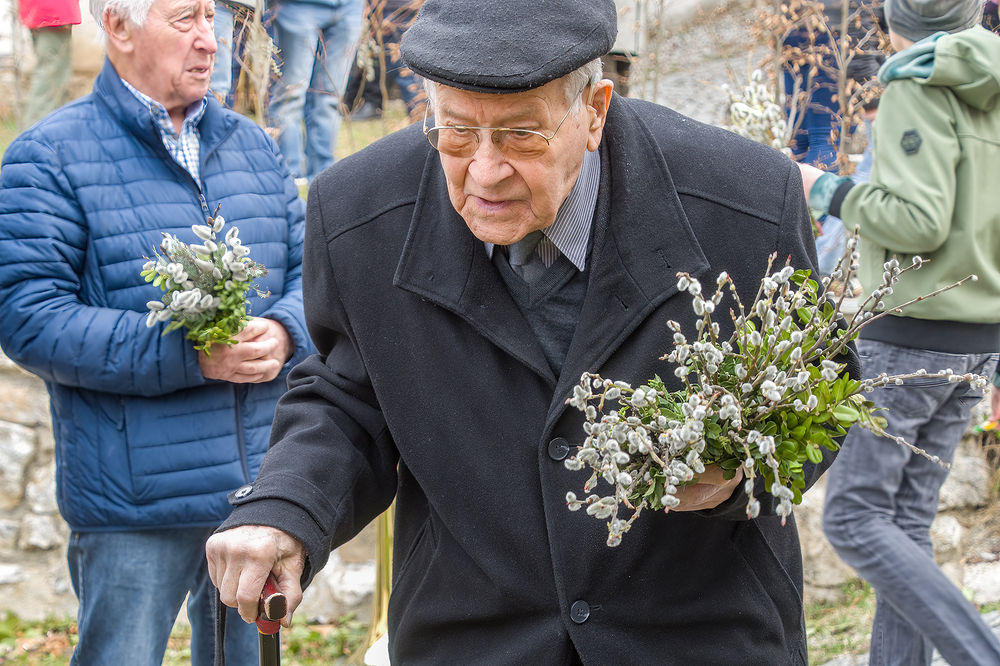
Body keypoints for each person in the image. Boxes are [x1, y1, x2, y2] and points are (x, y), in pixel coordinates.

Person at [207, 1, 860, 664]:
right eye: (456, 132)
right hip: (474, 637)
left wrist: (741, 472)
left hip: (695, 636)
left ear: (595, 111)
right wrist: (286, 507)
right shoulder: (359, 212)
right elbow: (349, 399)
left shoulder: (744, 200)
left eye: (521, 135)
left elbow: (822, 380)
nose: (485, 171)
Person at [0, 0, 314, 662]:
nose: (210, 40)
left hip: (258, 493)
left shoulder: (256, 147)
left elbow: (314, 278)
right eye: (184, 19)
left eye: (211, 17)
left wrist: (287, 332)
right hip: (135, 502)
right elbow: (29, 317)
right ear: (118, 27)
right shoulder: (47, 156)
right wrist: (191, 355)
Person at [797, 0, 1000, 661]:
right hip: (979, 338)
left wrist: (824, 190)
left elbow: (918, 222)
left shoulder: (915, 84)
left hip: (912, 334)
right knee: (906, 522)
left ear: (893, 18)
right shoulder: (992, 82)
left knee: (853, 519)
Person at [267, 0, 363, 183]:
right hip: (297, 6)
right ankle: (288, 172)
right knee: (290, 94)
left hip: (349, 6)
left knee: (330, 96)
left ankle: (324, 173)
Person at [18, 0, 81, 127]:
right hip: (53, 9)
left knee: (54, 76)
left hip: (47, 10)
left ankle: (47, 131)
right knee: (51, 78)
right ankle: (34, 133)